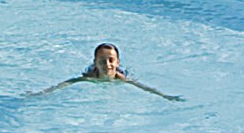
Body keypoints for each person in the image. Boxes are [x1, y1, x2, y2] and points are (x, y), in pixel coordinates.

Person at [32, 42, 177, 99]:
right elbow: (67, 83)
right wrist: (42, 93)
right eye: (102, 61)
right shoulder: (90, 76)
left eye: (111, 60)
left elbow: (145, 87)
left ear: (117, 62)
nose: (107, 65)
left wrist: (166, 96)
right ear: (95, 63)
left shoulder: (121, 78)